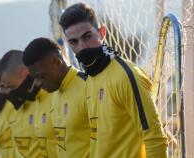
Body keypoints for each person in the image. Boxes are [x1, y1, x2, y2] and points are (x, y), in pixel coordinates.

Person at [59, 2, 168, 157]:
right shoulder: (90, 78)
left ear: (102, 32)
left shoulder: (126, 75)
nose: (82, 47)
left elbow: (155, 140)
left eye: (87, 36)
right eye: (74, 42)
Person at [23, 37, 90, 158]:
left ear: (57, 62)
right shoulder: (54, 93)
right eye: (34, 78)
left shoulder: (88, 87)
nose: (37, 83)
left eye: (41, 76)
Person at [0, 50, 57, 158]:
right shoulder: (22, 106)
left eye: (11, 87)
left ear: (25, 73)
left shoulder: (56, 97)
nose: (8, 93)